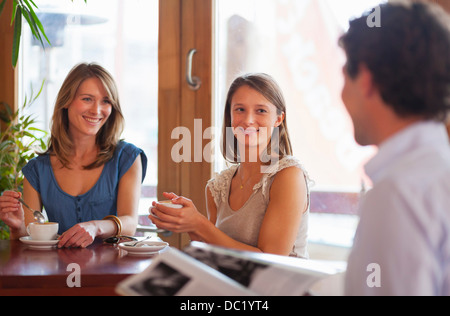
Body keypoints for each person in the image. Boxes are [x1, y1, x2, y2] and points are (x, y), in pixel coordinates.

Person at [339, 1, 450, 295]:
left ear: (365, 80)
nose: (342, 95)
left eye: (344, 78)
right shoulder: (436, 173)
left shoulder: (399, 194)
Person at [150, 73, 310, 258]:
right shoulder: (217, 187)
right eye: (240, 109)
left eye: (261, 111)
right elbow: (213, 253)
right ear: (230, 116)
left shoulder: (288, 176)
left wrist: (199, 224)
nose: (248, 120)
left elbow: (271, 260)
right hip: (232, 285)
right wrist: (187, 222)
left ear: (278, 119)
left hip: (278, 286)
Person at [0, 63, 147, 248]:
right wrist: (17, 227)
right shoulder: (37, 170)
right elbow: (34, 236)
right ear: (66, 101)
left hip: (114, 272)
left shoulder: (127, 158)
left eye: (106, 101)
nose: (97, 110)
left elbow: (130, 224)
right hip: (58, 272)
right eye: (87, 99)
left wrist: (95, 227)